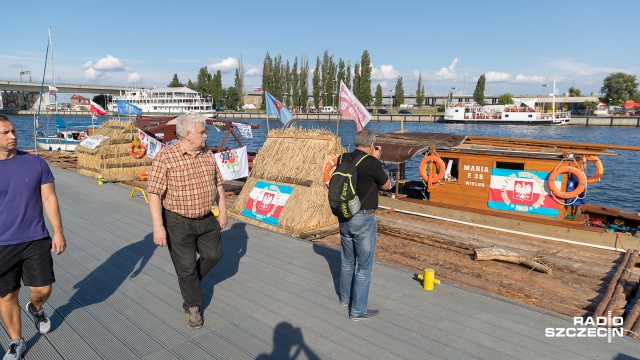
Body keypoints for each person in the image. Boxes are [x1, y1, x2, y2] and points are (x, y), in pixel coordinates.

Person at [147, 113, 228, 330]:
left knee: (214, 255)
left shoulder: (207, 154)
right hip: (178, 221)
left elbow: (218, 183)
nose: (205, 134)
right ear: (188, 134)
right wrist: (158, 227)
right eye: (202, 131)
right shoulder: (166, 157)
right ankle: (193, 308)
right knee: (186, 268)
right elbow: (154, 193)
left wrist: (223, 211)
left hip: (206, 217)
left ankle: (189, 282)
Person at [0, 115, 66, 360]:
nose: (13, 136)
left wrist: (58, 231)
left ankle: (36, 308)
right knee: (7, 294)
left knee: (42, 288)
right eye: (5, 132)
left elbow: (49, 199)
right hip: (1, 243)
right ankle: (17, 341)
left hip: (35, 238)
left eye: (13, 131)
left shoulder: (36, 164)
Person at [338, 129, 390, 321]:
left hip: (344, 215)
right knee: (364, 266)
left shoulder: (343, 158)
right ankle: (358, 310)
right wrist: (377, 159)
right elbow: (386, 185)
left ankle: (345, 298)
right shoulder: (371, 162)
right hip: (364, 218)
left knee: (347, 261)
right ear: (371, 145)